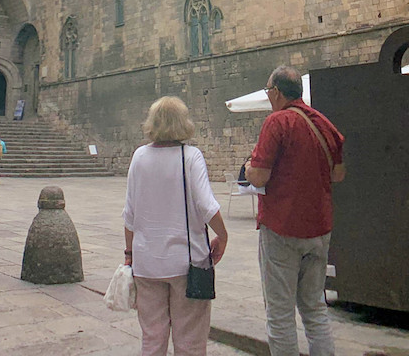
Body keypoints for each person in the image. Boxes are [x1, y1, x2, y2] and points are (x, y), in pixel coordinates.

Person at [245, 66, 345, 356]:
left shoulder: (277, 122)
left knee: (280, 314)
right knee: (315, 308)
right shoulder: (323, 123)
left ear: (277, 92)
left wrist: (248, 168)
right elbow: (338, 174)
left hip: (282, 227)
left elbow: (259, 177)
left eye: (268, 91)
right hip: (319, 228)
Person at [123, 96, 228, 356]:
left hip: (147, 264)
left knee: (152, 340)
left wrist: (129, 254)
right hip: (187, 264)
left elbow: (129, 215)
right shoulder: (191, 156)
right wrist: (223, 236)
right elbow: (207, 206)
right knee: (190, 343)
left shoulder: (139, 156)